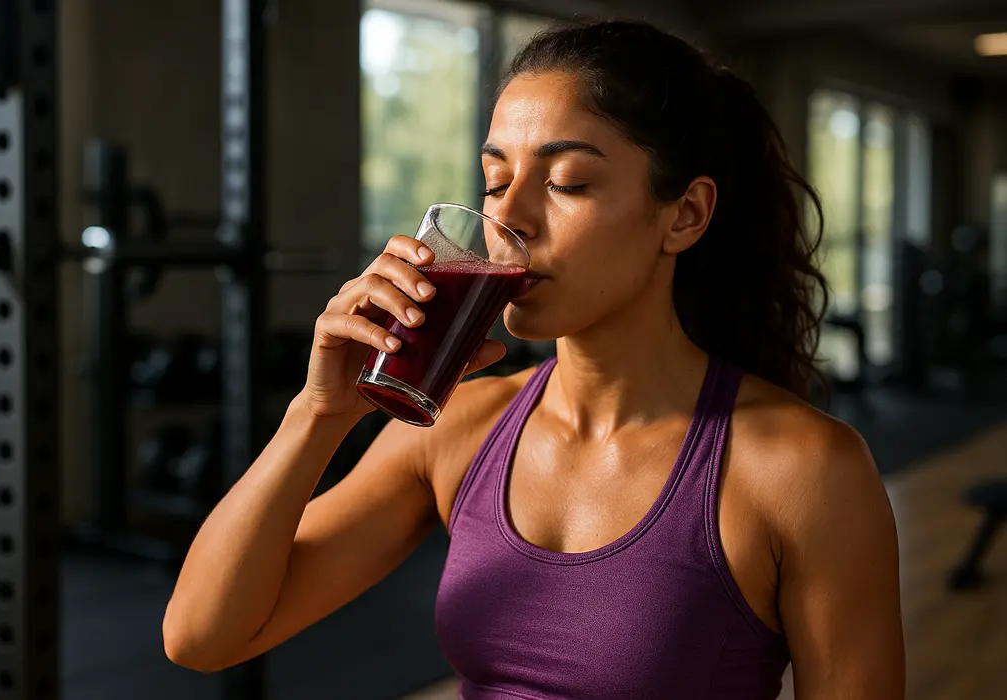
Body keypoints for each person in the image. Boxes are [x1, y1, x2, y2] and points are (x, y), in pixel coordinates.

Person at [163, 19, 905, 700]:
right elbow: (203, 636)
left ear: (684, 215)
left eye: (567, 182)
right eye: (495, 181)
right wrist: (318, 413)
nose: (508, 217)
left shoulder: (804, 470)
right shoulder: (460, 427)